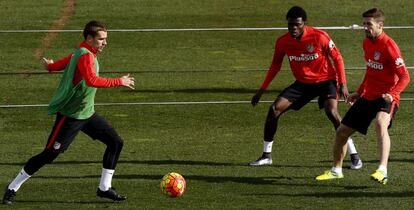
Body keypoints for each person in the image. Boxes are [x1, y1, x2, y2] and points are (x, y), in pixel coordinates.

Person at [2, 20, 135, 205]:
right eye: (101, 39)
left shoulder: (82, 52)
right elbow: (91, 80)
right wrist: (118, 81)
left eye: (105, 39)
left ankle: (104, 188)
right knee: (49, 154)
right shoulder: (85, 55)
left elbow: (65, 62)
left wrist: (51, 66)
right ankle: (12, 187)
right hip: (70, 117)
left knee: (115, 142)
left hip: (87, 113)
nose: (105, 43)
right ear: (89, 38)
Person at [249, 6, 363, 169]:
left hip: (326, 81)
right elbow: (275, 65)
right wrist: (261, 90)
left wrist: (343, 84)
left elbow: (337, 58)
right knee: (274, 109)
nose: (293, 28)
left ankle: (354, 156)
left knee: (331, 112)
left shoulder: (319, 36)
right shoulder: (283, 42)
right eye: (290, 25)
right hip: (303, 84)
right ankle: (266, 156)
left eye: (297, 25)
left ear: (304, 23)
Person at [316, 8, 410, 185]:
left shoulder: (389, 46)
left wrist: (393, 94)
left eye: (369, 24)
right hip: (369, 96)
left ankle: (382, 170)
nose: (365, 28)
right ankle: (336, 170)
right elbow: (371, 70)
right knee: (342, 132)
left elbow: (405, 76)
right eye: (364, 24)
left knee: (381, 123)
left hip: (386, 97)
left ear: (380, 25)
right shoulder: (366, 43)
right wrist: (359, 92)